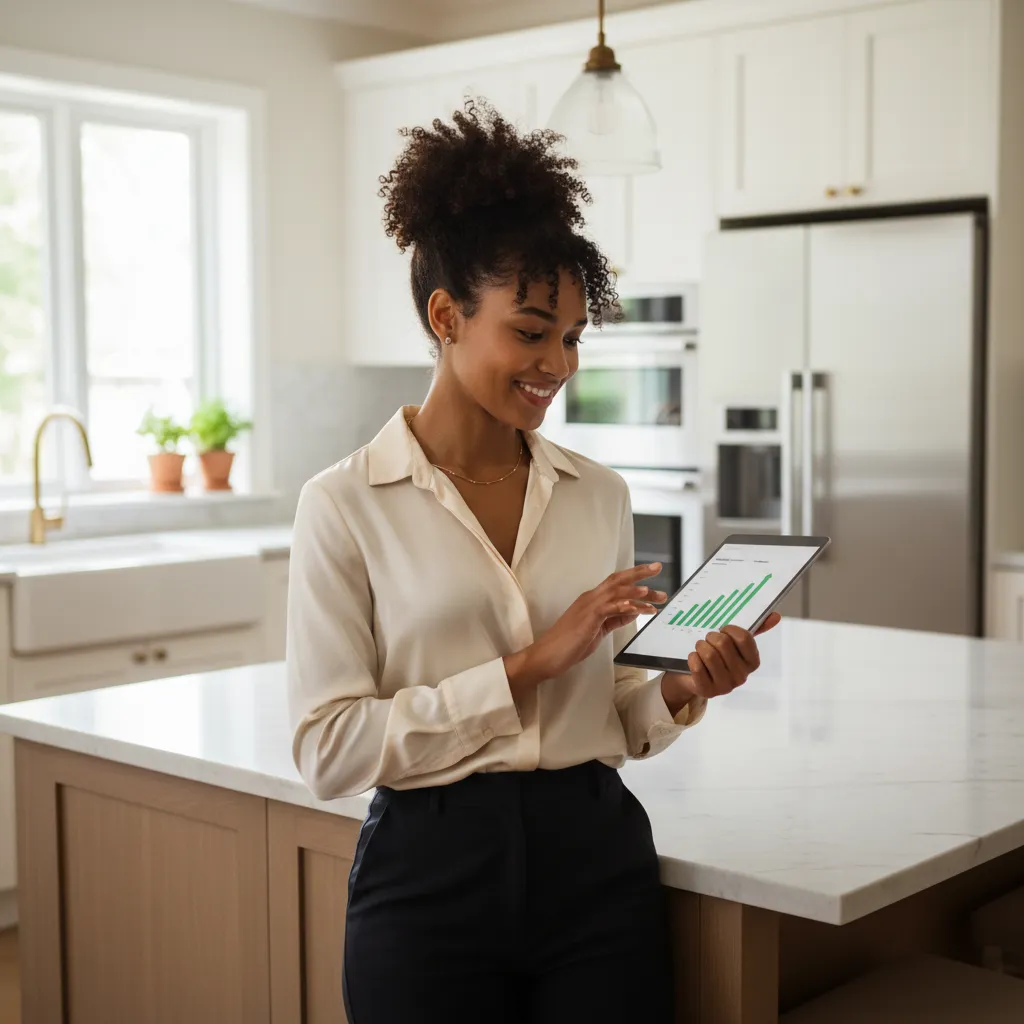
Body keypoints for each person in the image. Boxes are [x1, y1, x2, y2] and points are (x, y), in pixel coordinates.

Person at [286, 100, 779, 1024]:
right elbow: (328, 749)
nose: (558, 361)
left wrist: (682, 687)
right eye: (531, 329)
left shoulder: (600, 494)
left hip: (596, 861)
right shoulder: (343, 505)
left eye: (574, 337)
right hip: (427, 875)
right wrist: (524, 667)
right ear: (446, 315)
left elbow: (615, 708)